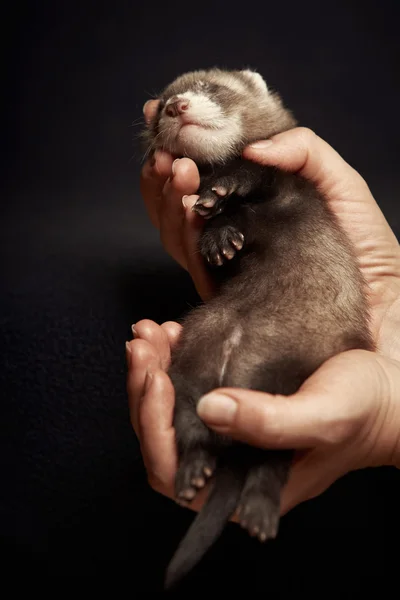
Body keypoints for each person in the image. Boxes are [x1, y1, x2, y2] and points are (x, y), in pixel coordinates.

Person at [126, 99, 400, 519]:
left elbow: (267, 197)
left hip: (310, 326)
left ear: (260, 97)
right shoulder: (214, 196)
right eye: (167, 109)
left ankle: (256, 488)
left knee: (278, 391)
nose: (179, 105)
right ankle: (197, 453)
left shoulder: (284, 180)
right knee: (189, 371)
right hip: (246, 313)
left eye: (209, 90)